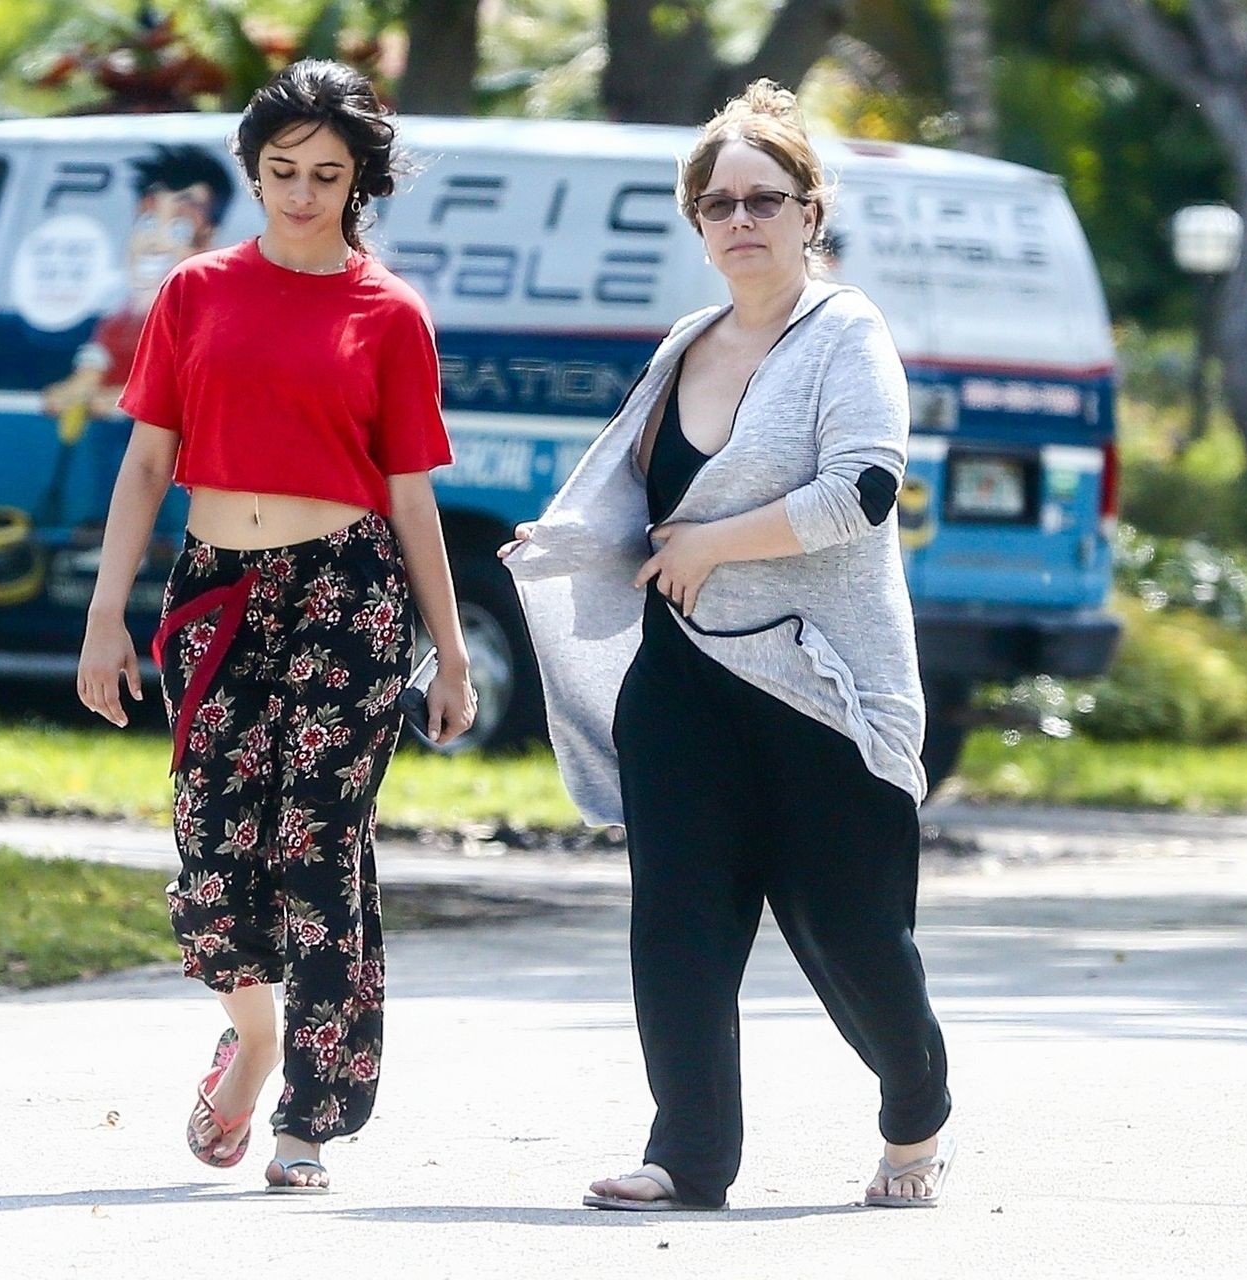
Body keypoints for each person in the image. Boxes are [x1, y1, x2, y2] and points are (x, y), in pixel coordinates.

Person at [500, 79, 953, 1212]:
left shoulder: (846, 333)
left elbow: (864, 490)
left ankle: (916, 1118)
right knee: (680, 925)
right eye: (719, 203)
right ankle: (688, 1155)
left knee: (855, 934)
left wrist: (712, 543)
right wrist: (573, 545)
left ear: (811, 211)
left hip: (819, 687)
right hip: (684, 681)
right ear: (697, 225)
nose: (741, 219)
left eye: (765, 199)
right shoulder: (685, 344)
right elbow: (642, 500)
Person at [76, 59, 477, 1195]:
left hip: (348, 591)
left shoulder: (388, 311)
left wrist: (450, 653)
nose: (301, 193)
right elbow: (145, 462)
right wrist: (105, 617)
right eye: (283, 170)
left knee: (320, 845)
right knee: (211, 835)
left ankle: (309, 1117)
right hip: (215, 588)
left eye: (327, 175)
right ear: (253, 171)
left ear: (360, 184)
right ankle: (251, 1037)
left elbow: (410, 496)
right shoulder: (195, 292)